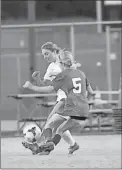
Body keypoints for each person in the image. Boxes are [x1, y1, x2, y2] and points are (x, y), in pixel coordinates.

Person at [23, 50, 94, 155]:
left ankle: (44, 146)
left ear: (62, 63)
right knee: (56, 127)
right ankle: (47, 146)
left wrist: (31, 87)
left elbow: (49, 89)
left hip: (70, 106)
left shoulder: (63, 75)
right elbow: (91, 92)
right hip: (82, 109)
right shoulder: (81, 73)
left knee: (54, 126)